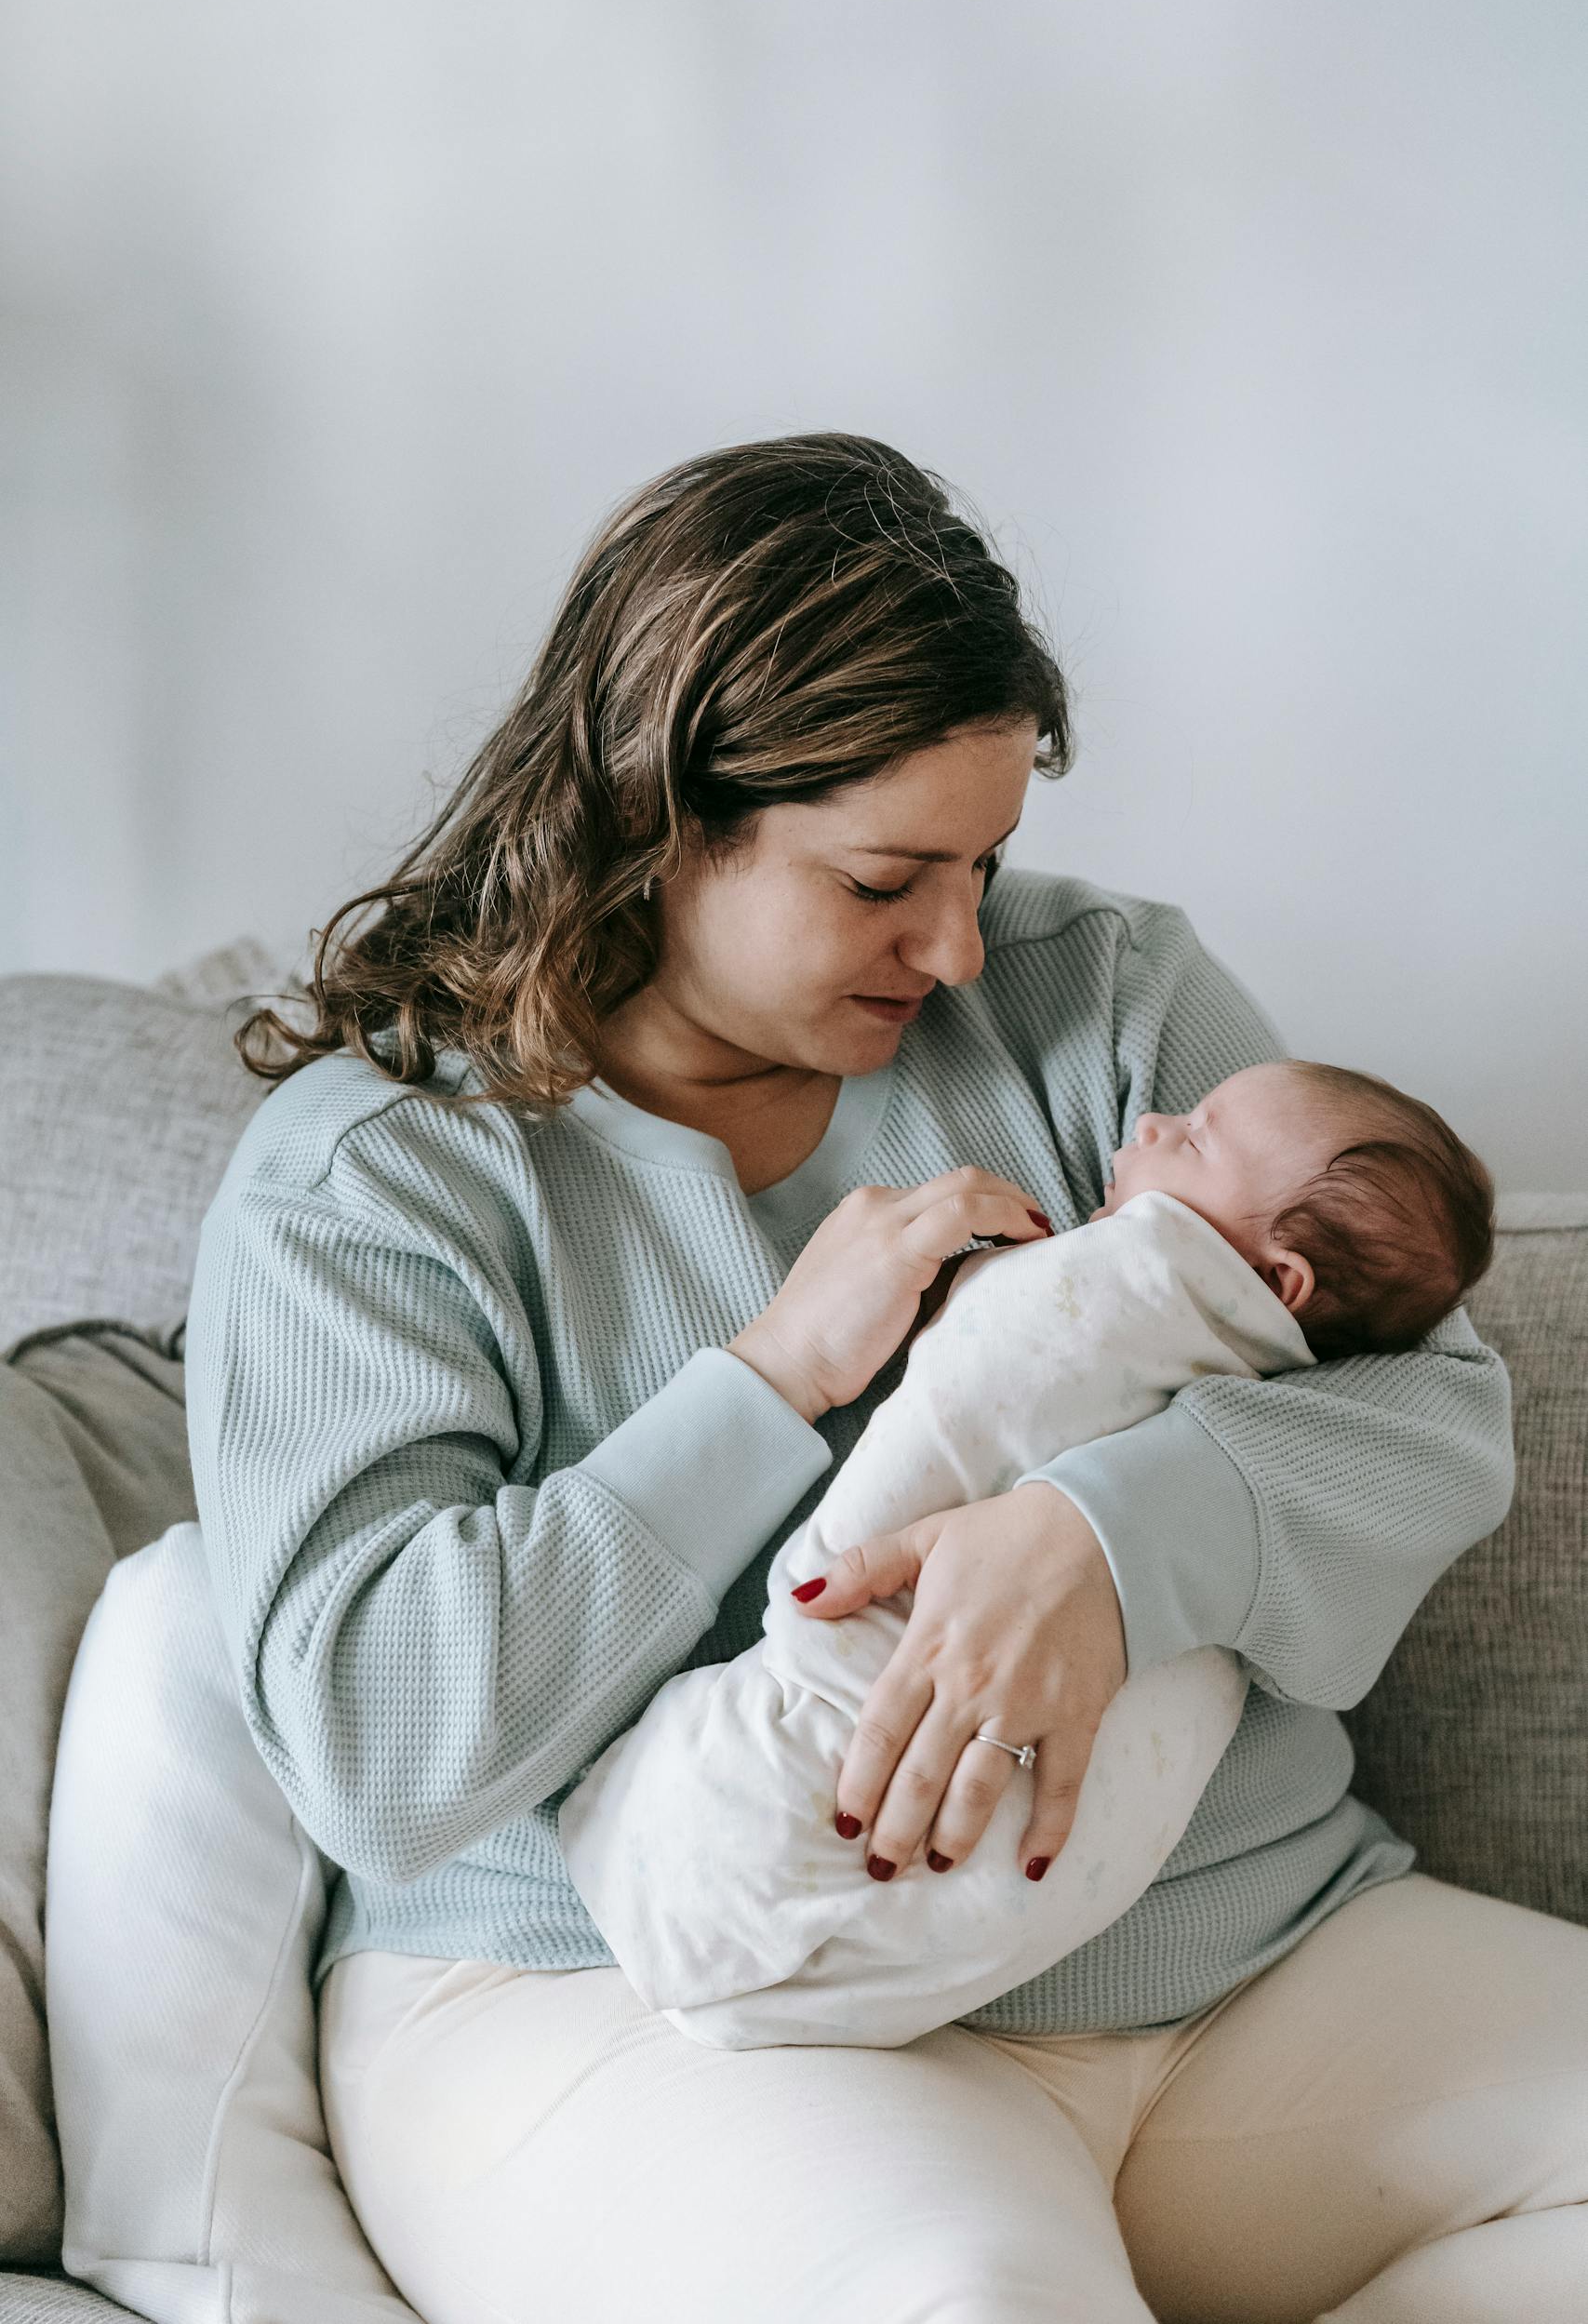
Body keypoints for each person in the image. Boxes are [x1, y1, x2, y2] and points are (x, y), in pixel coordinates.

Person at [185, 433, 1587, 2322]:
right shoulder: (385, 1174)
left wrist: (1104, 1536)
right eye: (883, 878)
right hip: (645, 1996)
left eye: (987, 858)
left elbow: (1433, 1412)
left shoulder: (1096, 999)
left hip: (1222, 1956)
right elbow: (375, 1735)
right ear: (656, 820)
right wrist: (763, 1382)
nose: (958, 942)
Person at [557, 1058, 1500, 2051]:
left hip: (1275, 1943)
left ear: (1276, 1284)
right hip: (783, 2030)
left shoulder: (1152, 1224)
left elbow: (1454, 1422)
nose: (1151, 1123)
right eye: (873, 888)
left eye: (1196, 1137)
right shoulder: (402, 1148)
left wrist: (1101, 1529)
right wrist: (783, 1365)